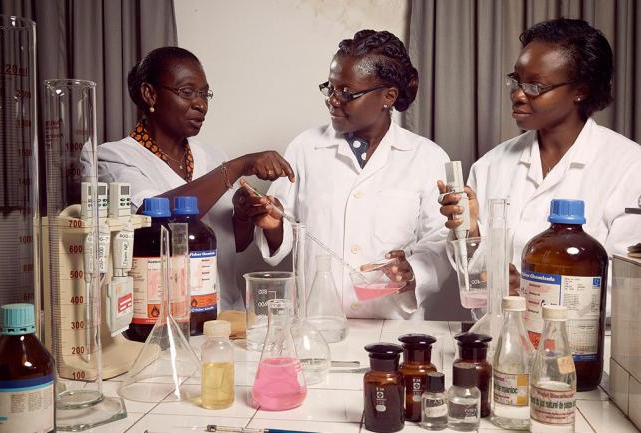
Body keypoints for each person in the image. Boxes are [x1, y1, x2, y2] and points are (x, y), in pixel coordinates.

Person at [234, 30, 453, 319]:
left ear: (388, 96)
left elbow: (440, 240)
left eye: (347, 93)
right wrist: (273, 225)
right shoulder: (305, 148)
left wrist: (413, 271)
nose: (333, 100)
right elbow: (281, 234)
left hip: (393, 326)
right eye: (330, 88)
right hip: (318, 322)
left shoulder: (427, 157)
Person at [438, 18, 641, 302]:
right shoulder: (490, 166)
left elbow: (627, 284)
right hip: (500, 326)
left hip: (584, 329)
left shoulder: (630, 166)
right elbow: (473, 278)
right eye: (516, 80)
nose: (517, 94)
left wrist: (530, 288)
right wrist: (469, 231)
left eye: (535, 86)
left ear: (580, 90)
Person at [93, 46, 294, 309]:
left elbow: (233, 244)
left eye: (204, 94)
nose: (201, 104)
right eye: (187, 92)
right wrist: (237, 166)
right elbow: (155, 222)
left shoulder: (212, 155)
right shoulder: (111, 157)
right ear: (150, 94)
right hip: (164, 317)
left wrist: (244, 216)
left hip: (225, 316)